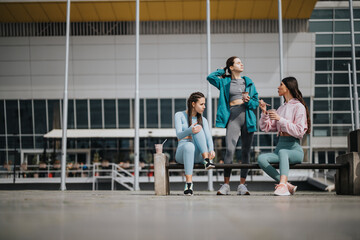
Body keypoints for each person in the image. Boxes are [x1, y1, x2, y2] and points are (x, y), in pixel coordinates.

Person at [207, 56, 259, 195]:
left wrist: (248, 101)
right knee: (230, 150)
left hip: (247, 119)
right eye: (238, 62)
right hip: (233, 119)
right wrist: (222, 71)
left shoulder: (248, 82)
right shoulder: (224, 81)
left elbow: (255, 103)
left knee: (245, 152)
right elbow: (210, 77)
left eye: (242, 62)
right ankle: (226, 185)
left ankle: (242, 185)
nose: (241, 64)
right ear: (231, 67)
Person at [258, 76, 310, 196]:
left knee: (283, 153)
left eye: (281, 85)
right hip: (280, 147)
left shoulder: (299, 107)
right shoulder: (281, 108)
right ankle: (285, 184)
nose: (278, 87)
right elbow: (267, 128)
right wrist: (264, 113)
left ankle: (282, 186)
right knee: (261, 158)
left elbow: (299, 131)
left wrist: (280, 119)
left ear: (288, 87)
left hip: (294, 150)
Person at [175, 92, 215, 196]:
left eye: (204, 104)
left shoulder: (203, 120)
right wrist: (190, 130)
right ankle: (189, 184)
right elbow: (179, 135)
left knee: (199, 129)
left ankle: (207, 160)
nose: (204, 107)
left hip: (199, 155)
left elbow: (208, 137)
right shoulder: (179, 115)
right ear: (193, 104)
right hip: (182, 153)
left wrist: (211, 149)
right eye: (201, 104)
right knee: (189, 145)